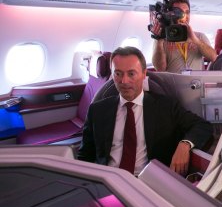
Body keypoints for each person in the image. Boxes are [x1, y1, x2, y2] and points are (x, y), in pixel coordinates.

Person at [78, 46, 213, 176]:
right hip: (109, 181)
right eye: (118, 74)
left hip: (149, 183)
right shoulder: (97, 110)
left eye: (131, 74)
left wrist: (185, 144)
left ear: (143, 74)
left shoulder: (165, 106)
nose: (124, 81)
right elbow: (85, 157)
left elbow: (202, 126)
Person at [152, 0, 217, 73]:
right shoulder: (163, 38)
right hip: (172, 84)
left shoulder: (199, 36)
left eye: (187, 12)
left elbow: (213, 57)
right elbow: (160, 69)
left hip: (195, 84)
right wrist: (159, 42)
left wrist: (196, 40)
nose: (184, 16)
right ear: (170, 15)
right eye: (179, 12)